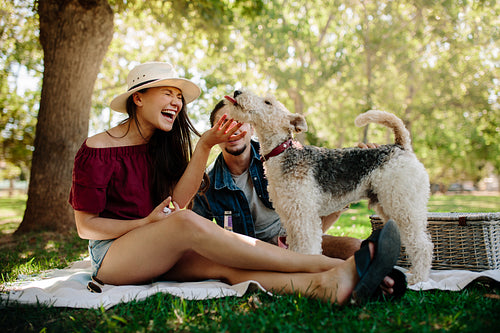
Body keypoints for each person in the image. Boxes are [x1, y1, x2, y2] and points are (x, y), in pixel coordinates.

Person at [69, 62, 401, 305]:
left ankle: (327, 286)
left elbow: (176, 202)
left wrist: (202, 146)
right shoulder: (97, 149)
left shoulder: (165, 144)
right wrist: (146, 222)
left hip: (155, 248)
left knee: (226, 267)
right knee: (188, 222)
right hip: (112, 258)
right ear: (138, 98)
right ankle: (336, 266)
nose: (176, 102)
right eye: (167, 93)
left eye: (178, 96)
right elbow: (86, 227)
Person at [192, 100, 373, 259]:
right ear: (212, 133)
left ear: (252, 127)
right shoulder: (206, 183)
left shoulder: (282, 156)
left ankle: (380, 273)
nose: (231, 129)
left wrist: (353, 171)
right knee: (327, 264)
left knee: (356, 249)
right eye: (223, 123)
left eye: (239, 122)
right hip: (247, 254)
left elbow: (312, 213)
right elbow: (195, 236)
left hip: (293, 239)